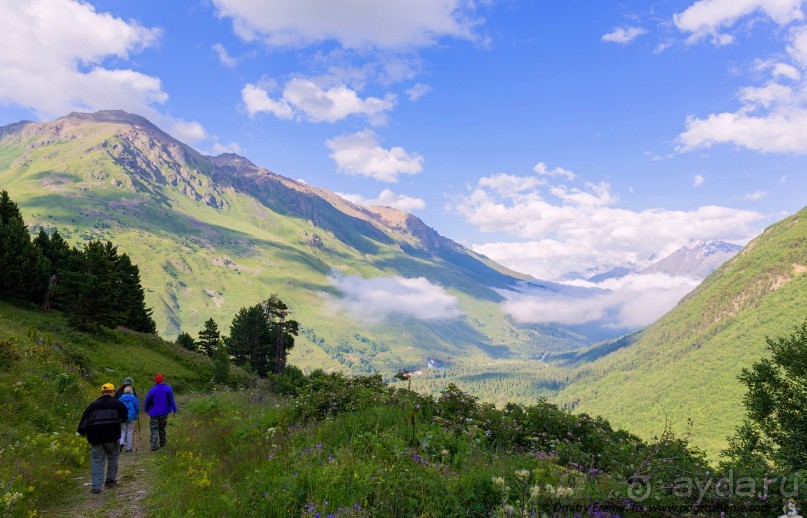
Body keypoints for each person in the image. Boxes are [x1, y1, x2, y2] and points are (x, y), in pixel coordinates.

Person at [77, 383, 128, 494]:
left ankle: (96, 486)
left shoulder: (93, 405)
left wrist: (82, 432)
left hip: (96, 437)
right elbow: (124, 418)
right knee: (113, 457)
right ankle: (110, 481)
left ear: (102, 392)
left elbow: (84, 421)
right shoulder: (118, 404)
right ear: (112, 391)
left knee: (97, 460)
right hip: (112, 436)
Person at [144, 374, 177, 451]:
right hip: (164, 412)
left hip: (154, 412)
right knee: (162, 428)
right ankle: (163, 443)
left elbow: (147, 400)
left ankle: (154, 445)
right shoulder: (168, 389)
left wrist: (146, 409)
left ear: (155, 381)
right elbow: (171, 400)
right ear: (162, 380)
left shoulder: (153, 389)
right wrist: (174, 410)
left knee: (154, 428)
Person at [119, 386, 140, 452]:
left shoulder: (120, 399)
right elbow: (137, 408)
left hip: (123, 417)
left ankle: (121, 442)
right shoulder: (134, 398)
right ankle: (128, 448)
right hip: (132, 417)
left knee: (122, 431)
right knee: (130, 432)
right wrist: (136, 413)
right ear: (131, 391)